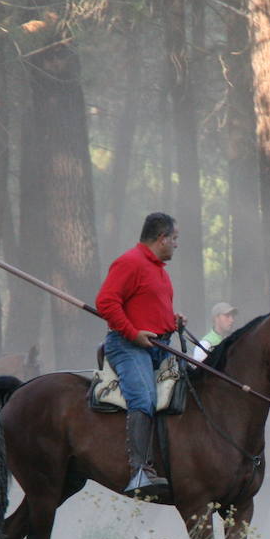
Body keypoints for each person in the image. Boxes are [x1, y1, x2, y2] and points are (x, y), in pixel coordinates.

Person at [95, 211, 183, 500]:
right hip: (128, 346)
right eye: (174, 238)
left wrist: (172, 320)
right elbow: (106, 302)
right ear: (162, 238)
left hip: (159, 346)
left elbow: (149, 305)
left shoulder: (159, 269)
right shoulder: (129, 262)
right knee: (144, 398)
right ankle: (140, 471)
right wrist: (133, 334)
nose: (176, 244)